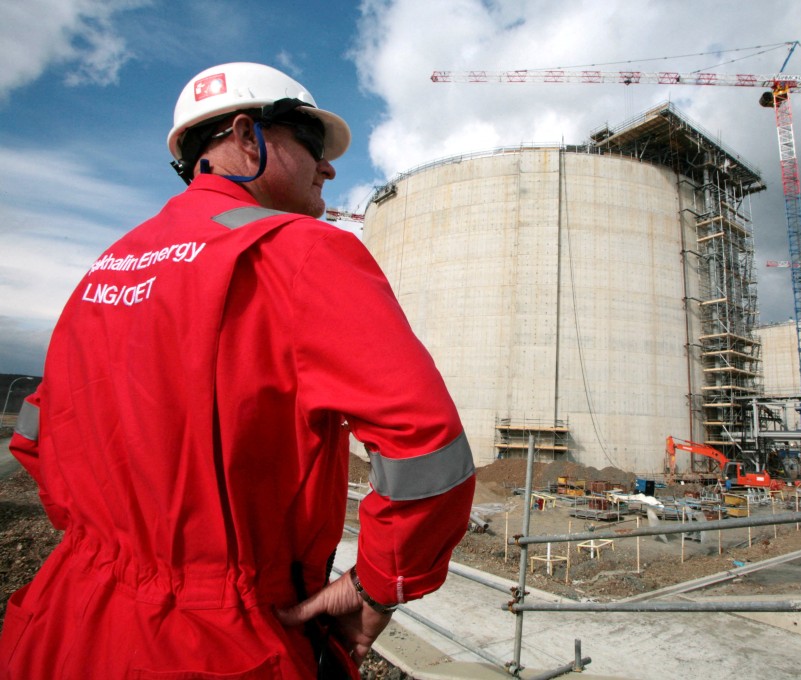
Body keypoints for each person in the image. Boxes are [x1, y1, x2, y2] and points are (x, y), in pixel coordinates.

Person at [0, 62, 475, 680]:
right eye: (312, 143)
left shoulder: (107, 268)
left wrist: (120, 548)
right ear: (248, 138)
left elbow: (37, 434)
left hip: (65, 621)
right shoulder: (302, 251)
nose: (328, 167)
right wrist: (379, 583)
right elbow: (428, 449)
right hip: (220, 644)